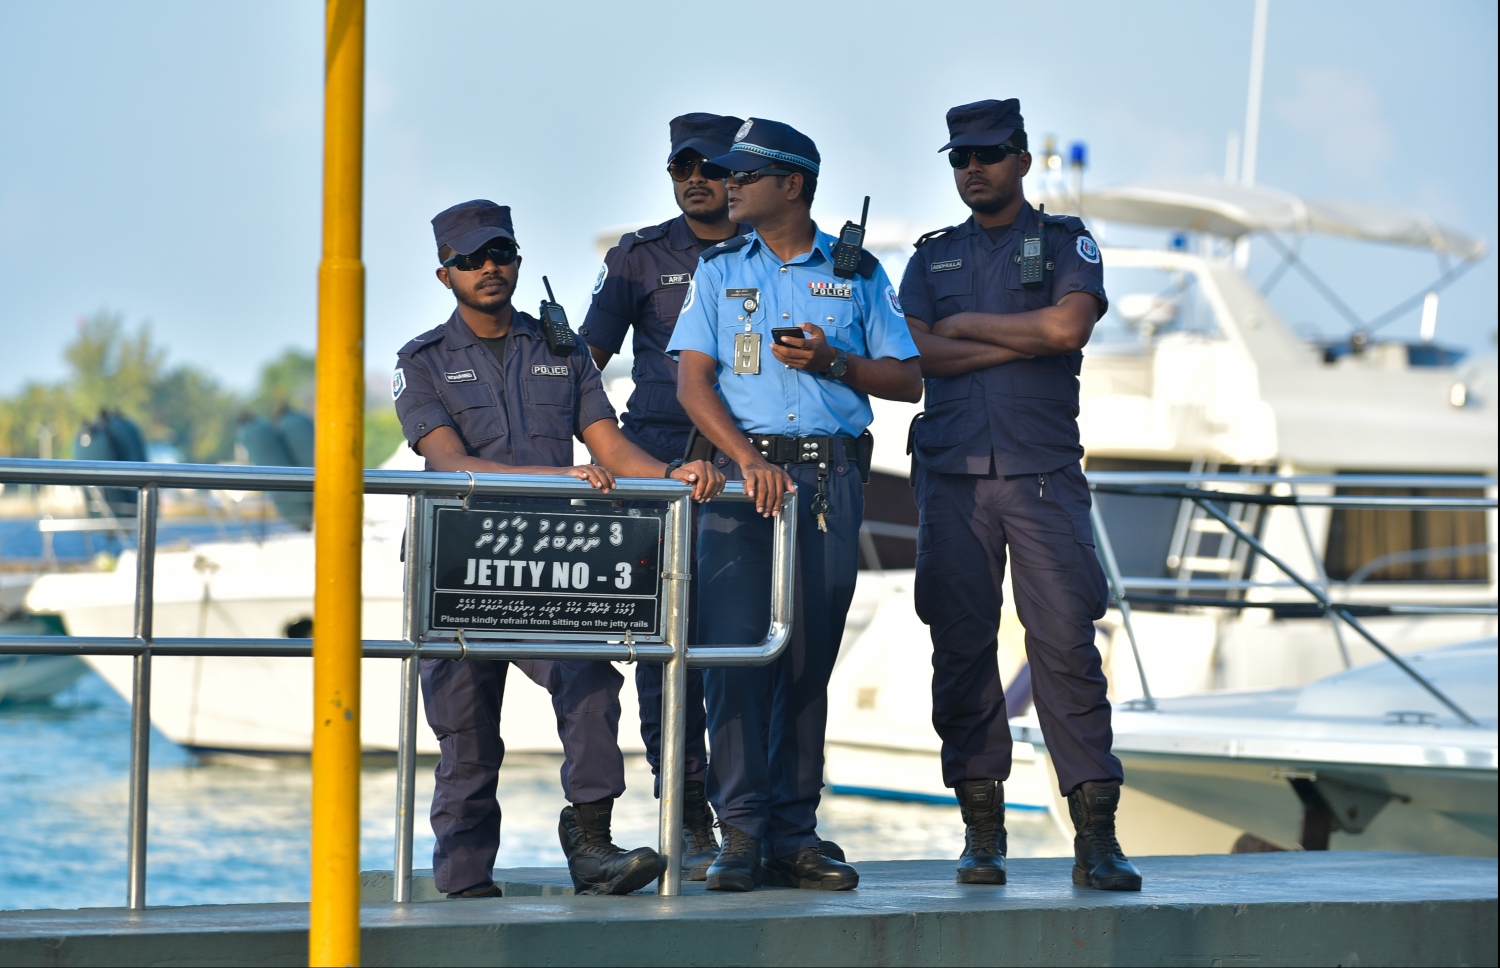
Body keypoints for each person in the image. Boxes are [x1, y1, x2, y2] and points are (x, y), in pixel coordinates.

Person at [392, 199, 724, 898]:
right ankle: (463, 885)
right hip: (457, 567)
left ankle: (594, 848)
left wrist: (673, 475)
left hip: (550, 561)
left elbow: (609, 447)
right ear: (444, 273)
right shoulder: (420, 361)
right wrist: (558, 474)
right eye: (471, 260)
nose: (489, 268)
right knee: (468, 737)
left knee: (590, 682)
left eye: (501, 254)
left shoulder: (561, 350)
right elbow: (448, 464)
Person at [668, 119, 923, 892]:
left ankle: (793, 833)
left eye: (747, 175)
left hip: (828, 484)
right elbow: (692, 383)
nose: (729, 185)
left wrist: (833, 361)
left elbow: (908, 380)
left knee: (807, 659)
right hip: (746, 487)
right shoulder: (719, 269)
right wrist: (742, 459)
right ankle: (740, 833)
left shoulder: (858, 274)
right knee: (735, 656)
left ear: (794, 185)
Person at [898, 98, 1142, 891]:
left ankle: (1096, 837)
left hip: (1042, 479)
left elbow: (1066, 331)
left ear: (1023, 159)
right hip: (953, 479)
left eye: (990, 155)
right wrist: (1010, 335)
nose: (974, 169)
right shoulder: (929, 258)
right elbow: (911, 356)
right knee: (960, 655)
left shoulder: (1065, 241)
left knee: (1067, 648)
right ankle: (982, 833)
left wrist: (964, 325)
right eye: (960, 157)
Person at [579, 112, 748, 879]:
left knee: (741, 650)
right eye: (682, 168)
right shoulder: (639, 260)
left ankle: (754, 817)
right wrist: (599, 449)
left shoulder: (768, 250)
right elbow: (586, 361)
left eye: (709, 167)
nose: (694, 181)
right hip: (655, 469)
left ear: (737, 176)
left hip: (749, 468)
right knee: (659, 651)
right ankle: (684, 810)